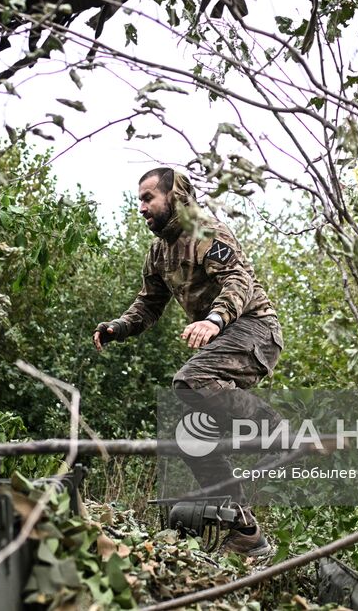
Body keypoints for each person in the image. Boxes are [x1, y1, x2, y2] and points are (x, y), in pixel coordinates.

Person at [93, 166, 283, 558]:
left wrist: (214, 320)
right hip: (226, 337)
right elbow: (148, 304)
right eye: (139, 200)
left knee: (190, 379)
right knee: (190, 438)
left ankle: (275, 429)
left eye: (148, 198)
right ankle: (246, 531)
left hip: (255, 329)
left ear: (175, 197)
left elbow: (239, 281)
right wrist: (118, 328)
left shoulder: (205, 232)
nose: (141, 207)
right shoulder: (159, 251)